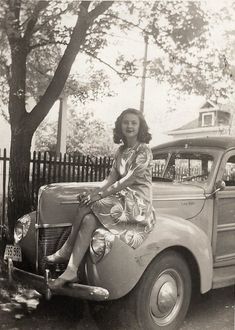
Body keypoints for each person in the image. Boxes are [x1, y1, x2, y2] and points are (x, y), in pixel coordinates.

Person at [46, 108, 155, 289]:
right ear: (120, 126)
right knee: (88, 218)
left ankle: (66, 249)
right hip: (123, 198)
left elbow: (129, 180)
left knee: (89, 205)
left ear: (140, 126)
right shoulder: (121, 150)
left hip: (138, 203)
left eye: (134, 123)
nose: (129, 126)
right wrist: (92, 193)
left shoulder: (143, 150)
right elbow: (110, 179)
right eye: (125, 122)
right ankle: (72, 269)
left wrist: (99, 196)